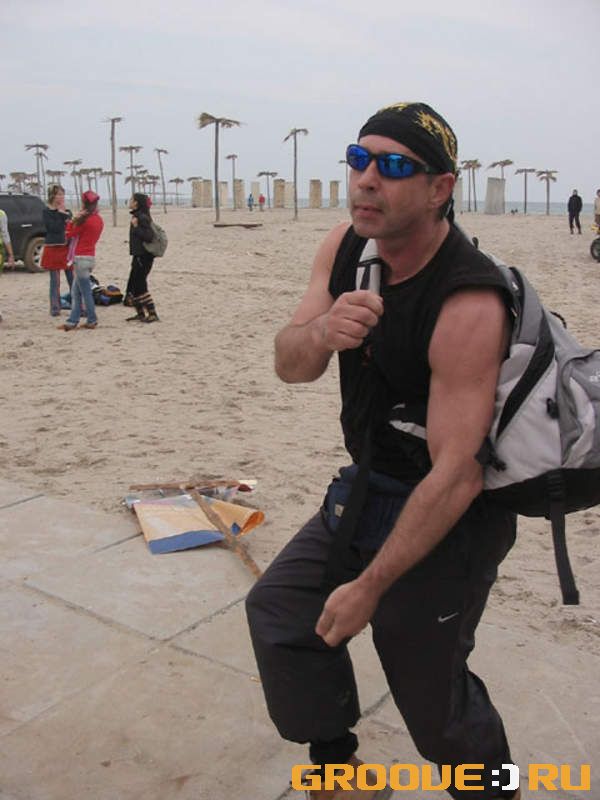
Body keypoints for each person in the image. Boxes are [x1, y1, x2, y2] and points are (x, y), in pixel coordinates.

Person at [246, 102, 520, 800]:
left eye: (395, 166)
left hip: (453, 513)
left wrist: (370, 587)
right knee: (284, 614)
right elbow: (289, 365)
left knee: (431, 698)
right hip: (370, 484)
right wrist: (322, 333)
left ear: (439, 188)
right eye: (358, 158)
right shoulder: (344, 247)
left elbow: (458, 475)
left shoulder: (468, 300)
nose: (368, 178)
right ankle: (338, 769)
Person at [59, 190, 104, 331]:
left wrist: (72, 221)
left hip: (80, 257)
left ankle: (91, 319)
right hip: (90, 257)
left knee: (84, 292)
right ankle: (72, 321)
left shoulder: (84, 220)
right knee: (76, 292)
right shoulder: (98, 220)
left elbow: (69, 234)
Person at [124, 193, 159, 323]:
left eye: (131, 199)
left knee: (140, 284)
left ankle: (152, 313)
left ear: (136, 203)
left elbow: (149, 236)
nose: (129, 201)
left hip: (144, 256)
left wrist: (136, 227)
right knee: (135, 284)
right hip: (138, 255)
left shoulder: (142, 217)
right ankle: (140, 313)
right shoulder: (137, 216)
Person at [41, 184, 73, 316]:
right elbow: (53, 228)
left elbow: (71, 226)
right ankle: (55, 308)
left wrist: (65, 214)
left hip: (66, 248)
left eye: (62, 194)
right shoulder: (46, 212)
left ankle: (79, 306)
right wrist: (61, 214)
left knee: (72, 279)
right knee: (55, 281)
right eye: (59, 194)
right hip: (53, 247)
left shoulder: (67, 211)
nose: (61, 197)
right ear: (52, 196)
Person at [0, 207, 15, 322]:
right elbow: (5, 235)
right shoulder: (1, 214)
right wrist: (11, 255)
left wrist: (10, 254)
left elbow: (5, 235)